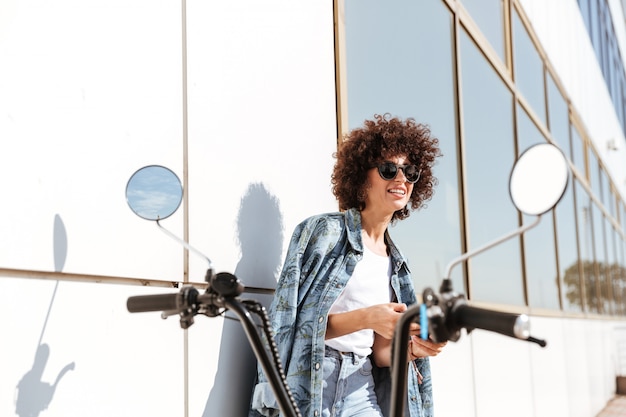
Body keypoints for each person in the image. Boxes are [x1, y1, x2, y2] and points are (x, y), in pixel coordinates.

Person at [249, 113, 446, 417]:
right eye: (388, 169)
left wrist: (410, 351)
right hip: (312, 382)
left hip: (360, 384)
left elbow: (380, 353)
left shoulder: (398, 264)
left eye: (410, 172)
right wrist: (367, 317)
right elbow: (288, 326)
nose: (401, 179)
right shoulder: (322, 233)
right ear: (361, 178)